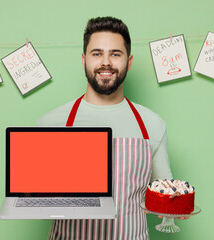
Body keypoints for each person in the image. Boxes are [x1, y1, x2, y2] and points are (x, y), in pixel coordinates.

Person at [37, 16, 173, 240]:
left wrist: (172, 207)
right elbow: (36, 197)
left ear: (128, 62)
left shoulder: (152, 123)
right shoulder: (50, 124)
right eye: (97, 53)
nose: (106, 62)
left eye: (115, 54)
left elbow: (163, 196)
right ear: (84, 60)